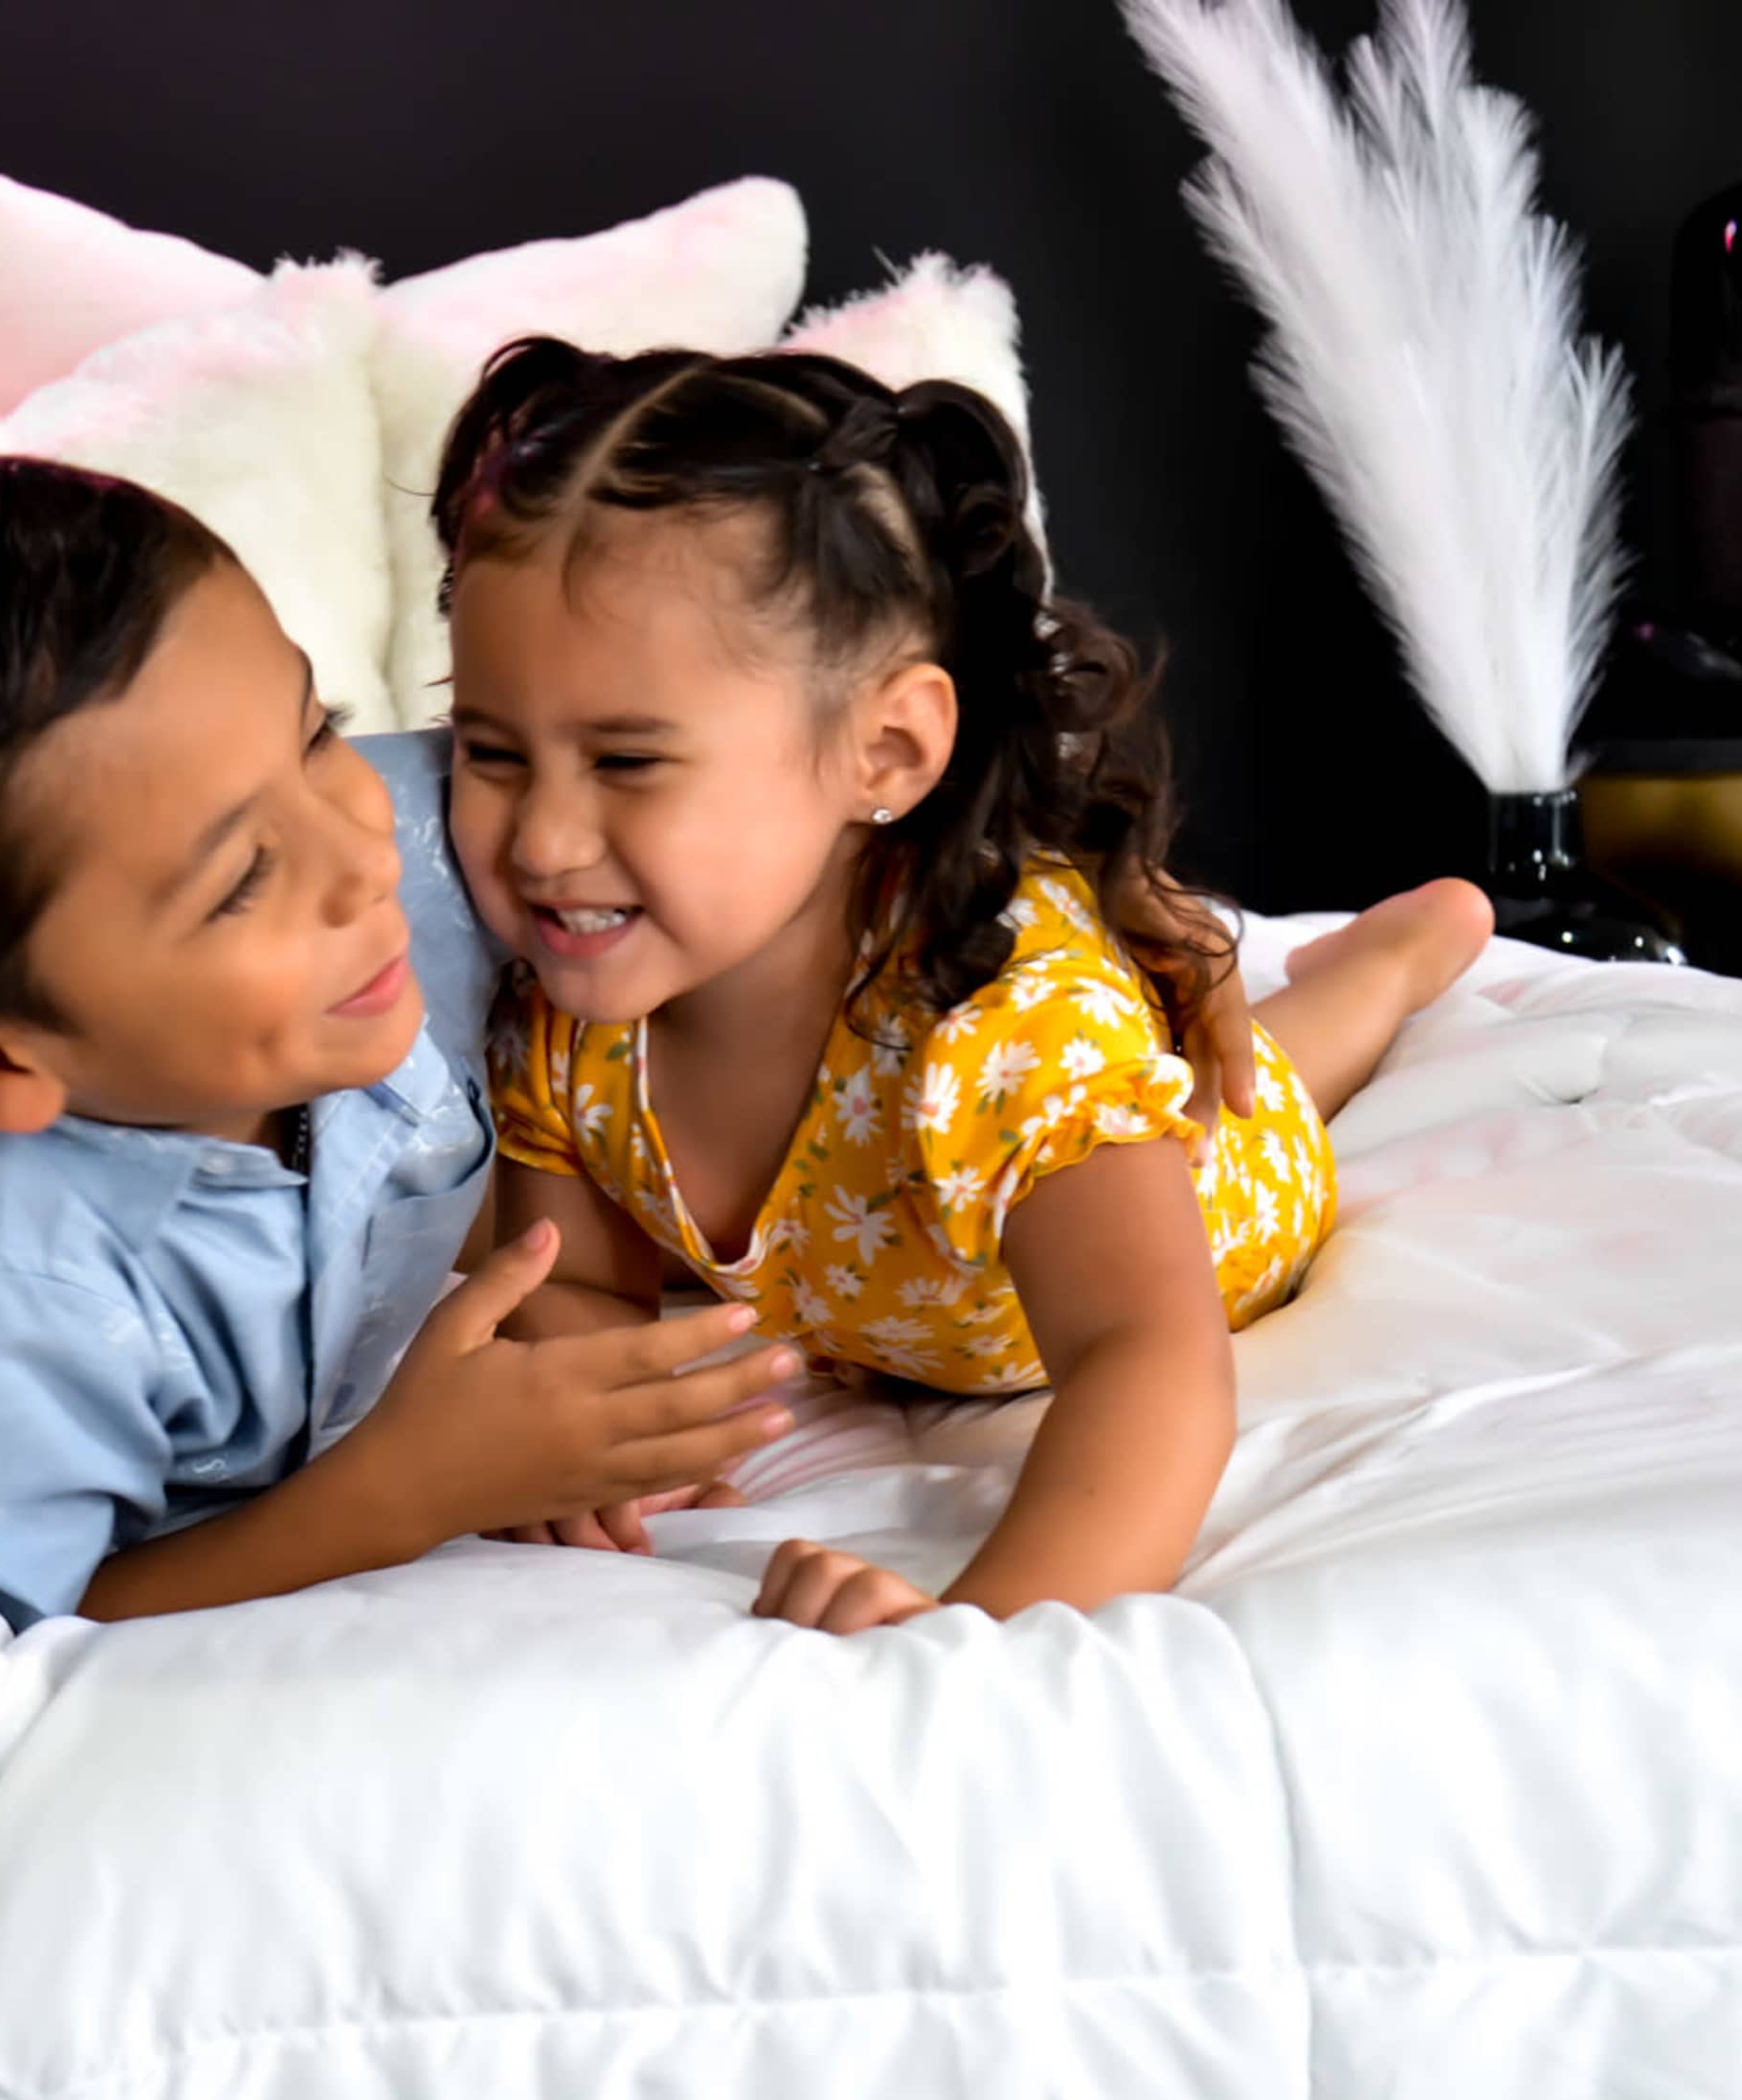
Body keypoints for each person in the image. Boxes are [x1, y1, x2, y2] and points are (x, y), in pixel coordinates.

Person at [0, 455, 802, 1631]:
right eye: (241, 880)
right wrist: (411, 1486)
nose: (364, 856)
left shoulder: (392, 852)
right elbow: (66, 1598)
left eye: (319, 732)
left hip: (41, 1046)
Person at [431, 341, 1494, 1630]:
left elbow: (1148, 1357)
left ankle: (1400, 952)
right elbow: (577, 1286)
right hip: (891, 1290)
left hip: (1203, 1197)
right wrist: (600, 1428)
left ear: (884, 751)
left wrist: (981, 1627)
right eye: (492, 752)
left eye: (627, 762)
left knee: (1258, 1083)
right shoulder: (568, 1006)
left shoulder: (1012, 1034)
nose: (542, 843)